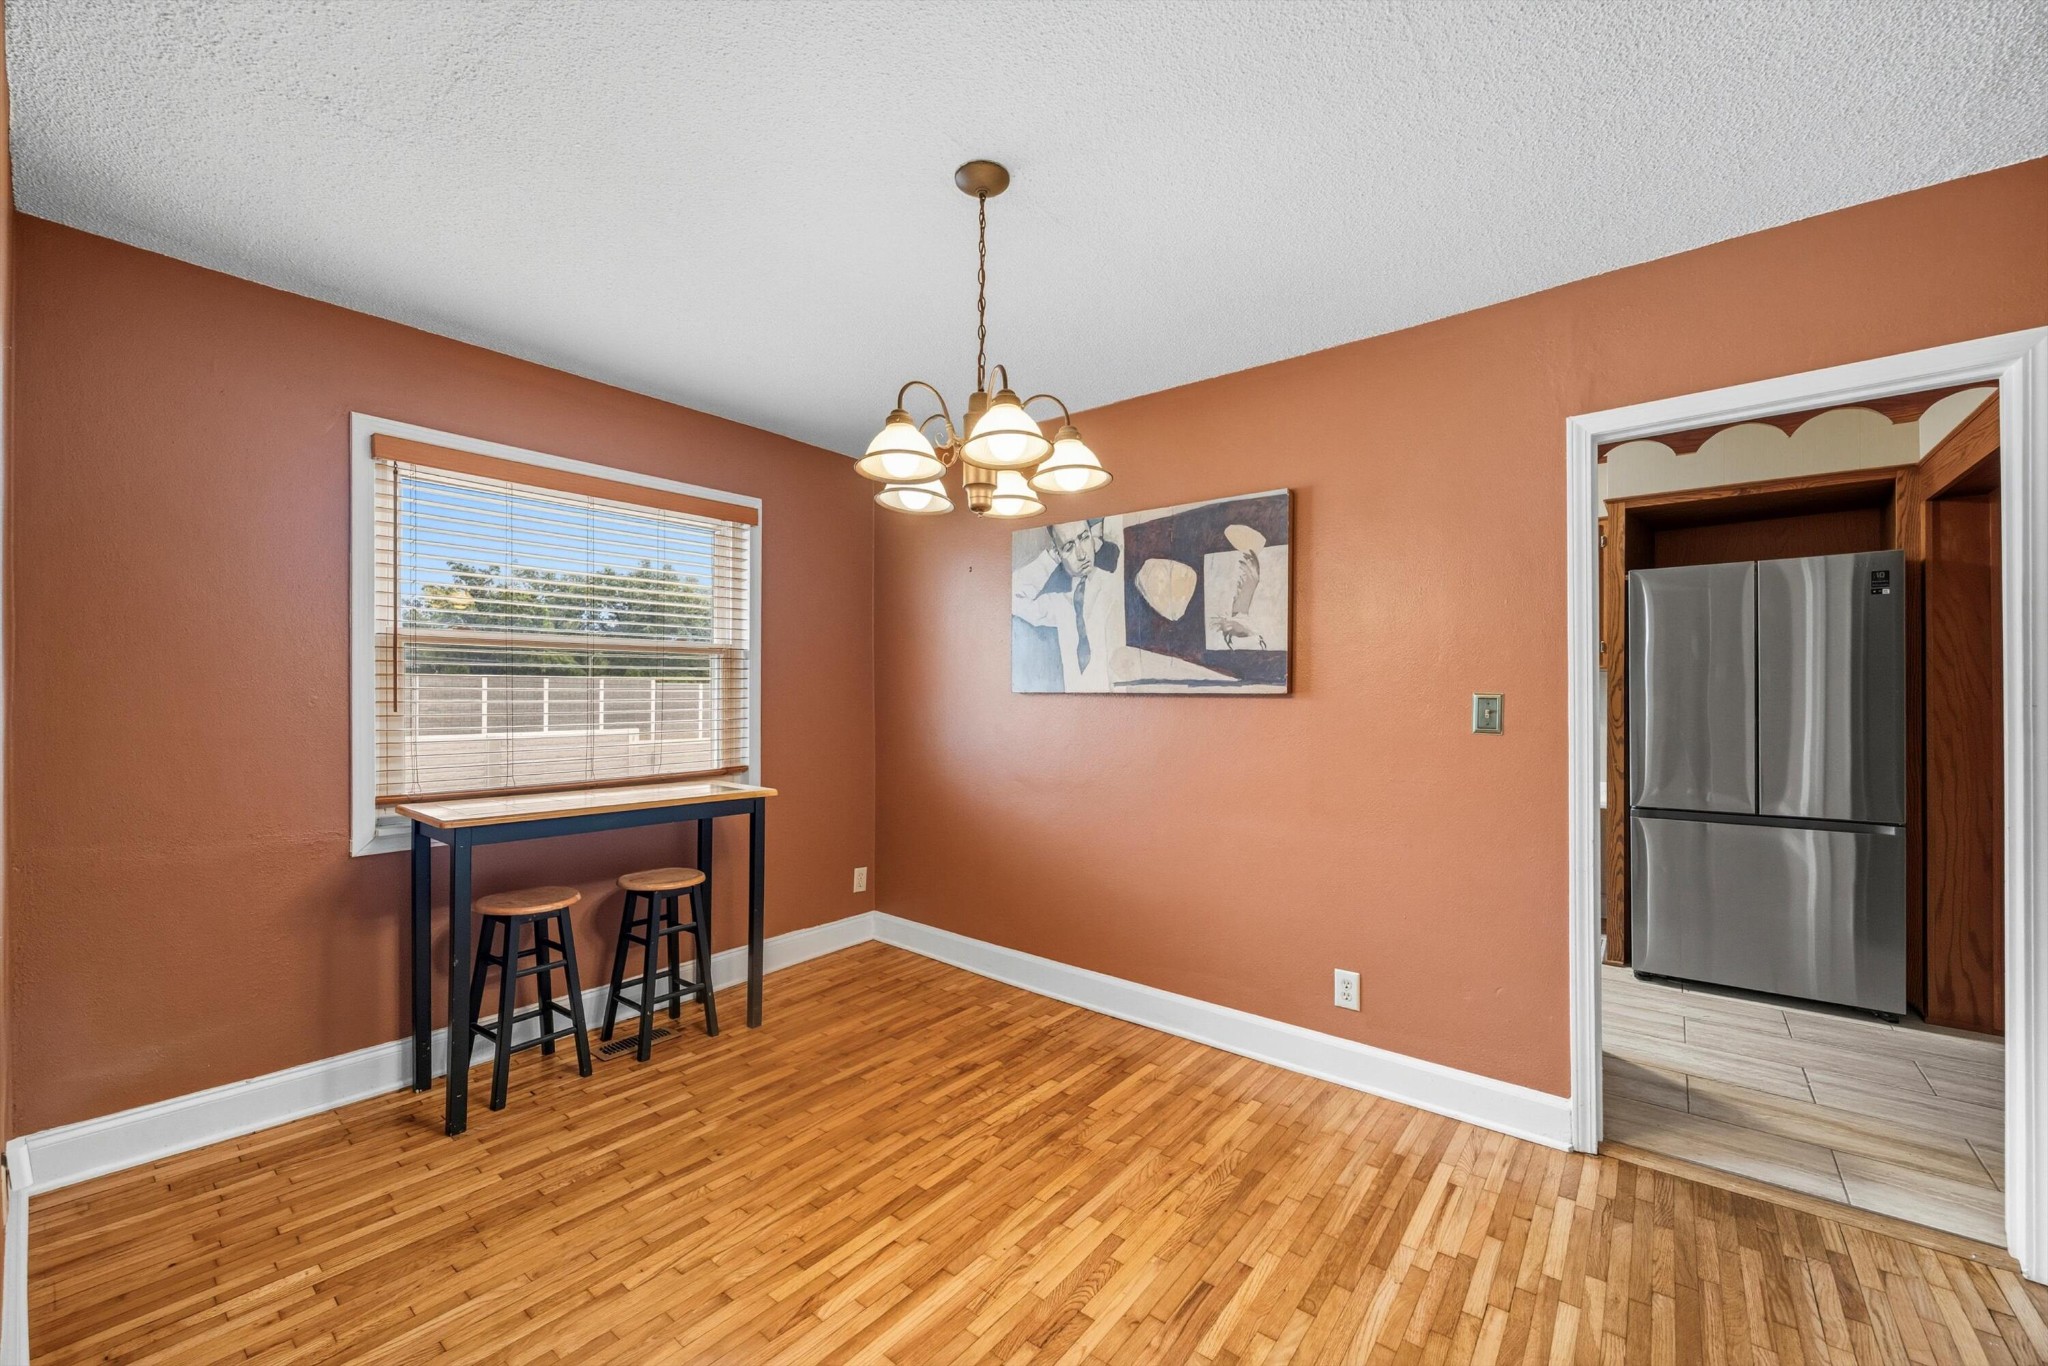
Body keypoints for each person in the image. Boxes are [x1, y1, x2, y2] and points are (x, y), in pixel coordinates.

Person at [1011, 518, 1124, 692]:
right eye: (1069, 547)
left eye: (1084, 538)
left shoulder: (1115, 582)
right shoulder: (1058, 602)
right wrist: (1050, 559)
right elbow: (1013, 594)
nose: (1081, 554)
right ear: (1058, 553)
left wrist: (1098, 542)